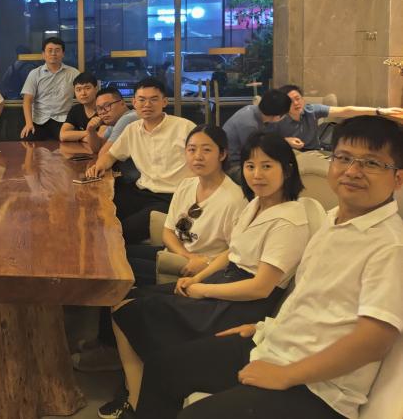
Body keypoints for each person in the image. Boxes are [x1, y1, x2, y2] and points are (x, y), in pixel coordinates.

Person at [127, 115, 403, 419]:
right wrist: (264, 328)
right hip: (275, 345)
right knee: (163, 368)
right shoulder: (332, 219)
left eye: (372, 163)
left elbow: (374, 340)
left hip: (319, 388)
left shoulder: (390, 245)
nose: (352, 171)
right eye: (344, 158)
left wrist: (288, 375)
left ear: (398, 178)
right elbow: (311, 300)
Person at [98, 132, 312, 419]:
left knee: (133, 309)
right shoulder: (256, 204)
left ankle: (140, 398)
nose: (257, 175)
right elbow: (232, 252)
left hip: (240, 305)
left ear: (287, 169)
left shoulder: (289, 220)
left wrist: (203, 289)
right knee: (125, 302)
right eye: (250, 166)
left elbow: (261, 287)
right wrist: (199, 279)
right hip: (224, 282)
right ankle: (135, 394)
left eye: (267, 166)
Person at [125, 125, 248, 287]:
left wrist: (202, 263)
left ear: (222, 154)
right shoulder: (186, 185)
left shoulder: (234, 200)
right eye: (191, 150)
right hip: (177, 255)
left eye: (206, 150)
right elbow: (168, 232)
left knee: (118, 268)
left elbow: (237, 251)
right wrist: (187, 255)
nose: (198, 156)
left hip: (199, 270)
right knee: (115, 253)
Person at [87, 78, 196, 244]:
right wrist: (98, 167)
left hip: (173, 198)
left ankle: (137, 259)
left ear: (164, 102)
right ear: (134, 102)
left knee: (119, 234)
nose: (147, 105)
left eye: (154, 99)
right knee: (96, 214)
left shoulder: (185, 128)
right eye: (142, 100)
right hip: (141, 192)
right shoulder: (132, 129)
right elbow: (111, 155)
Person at [275, 84, 403, 150]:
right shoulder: (276, 118)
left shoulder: (311, 110)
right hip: (288, 155)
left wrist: (379, 111)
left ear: (303, 99)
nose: (296, 103)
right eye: (290, 101)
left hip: (313, 152)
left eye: (297, 98)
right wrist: (286, 141)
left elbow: (346, 110)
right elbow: (264, 139)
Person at [20, 37, 80, 140]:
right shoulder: (35, 74)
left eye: (57, 50)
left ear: (63, 54)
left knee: (73, 141)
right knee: (27, 139)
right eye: (50, 50)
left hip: (64, 120)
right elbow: (27, 101)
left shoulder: (73, 73)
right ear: (43, 54)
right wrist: (29, 123)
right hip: (39, 120)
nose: (53, 54)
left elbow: (83, 94)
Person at [222, 89, 291, 174]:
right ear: (277, 117)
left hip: (246, 160)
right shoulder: (250, 125)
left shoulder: (252, 109)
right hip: (233, 165)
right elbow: (255, 153)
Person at [86, 87, 140, 154]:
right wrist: (91, 131)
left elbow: (103, 153)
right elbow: (98, 148)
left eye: (107, 105)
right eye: (99, 108)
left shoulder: (128, 118)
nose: (103, 112)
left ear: (122, 103)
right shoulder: (114, 122)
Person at [60, 72, 99, 142]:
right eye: (78, 90)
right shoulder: (75, 110)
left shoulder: (104, 109)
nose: (83, 93)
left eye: (87, 88)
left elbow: (102, 137)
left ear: (96, 89)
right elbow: (63, 135)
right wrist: (90, 133)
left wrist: (77, 136)